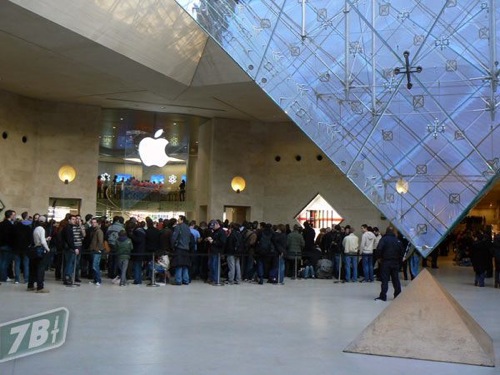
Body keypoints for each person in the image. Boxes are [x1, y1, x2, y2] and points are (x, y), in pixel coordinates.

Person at [375, 227, 404, 301]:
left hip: (386, 262)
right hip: (395, 262)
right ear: (393, 232)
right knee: (396, 279)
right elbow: (402, 252)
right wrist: (399, 262)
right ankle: (398, 295)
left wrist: (379, 258)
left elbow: (379, 249)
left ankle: (383, 296)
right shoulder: (397, 240)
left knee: (385, 279)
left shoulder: (384, 239)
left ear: (386, 231)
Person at [28, 216, 51, 293]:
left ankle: (30, 285)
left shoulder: (36, 228)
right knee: (40, 269)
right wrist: (48, 249)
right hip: (40, 250)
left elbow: (39, 240)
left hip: (34, 250)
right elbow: (43, 241)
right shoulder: (42, 229)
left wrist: (46, 239)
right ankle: (40, 287)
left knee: (33, 268)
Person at [171, 215, 192, 285]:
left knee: (179, 265)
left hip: (179, 248)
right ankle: (186, 280)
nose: (177, 221)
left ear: (182, 220)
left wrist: (172, 245)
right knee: (185, 265)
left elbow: (174, 237)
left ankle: (178, 280)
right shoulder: (188, 228)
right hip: (186, 248)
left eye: (178, 220)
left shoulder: (178, 227)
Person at [88, 218, 104, 286]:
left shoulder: (99, 231)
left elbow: (100, 241)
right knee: (94, 265)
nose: (93, 224)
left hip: (96, 250)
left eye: (94, 222)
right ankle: (95, 279)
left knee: (95, 265)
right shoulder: (94, 230)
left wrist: (98, 249)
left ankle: (98, 280)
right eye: (92, 222)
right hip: (93, 250)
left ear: (97, 223)